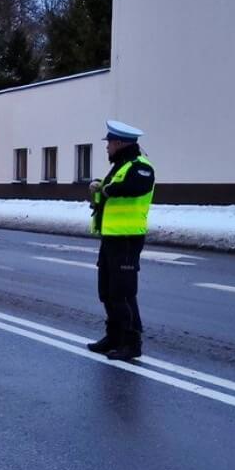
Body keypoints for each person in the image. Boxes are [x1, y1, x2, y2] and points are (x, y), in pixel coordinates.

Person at [87, 121, 155, 361]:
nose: (107, 148)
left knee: (123, 292)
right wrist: (98, 186)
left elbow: (134, 186)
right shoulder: (120, 167)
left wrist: (107, 190)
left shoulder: (140, 167)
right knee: (107, 291)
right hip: (111, 238)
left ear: (120, 143)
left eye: (109, 144)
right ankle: (114, 337)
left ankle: (131, 342)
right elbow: (111, 189)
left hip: (127, 239)